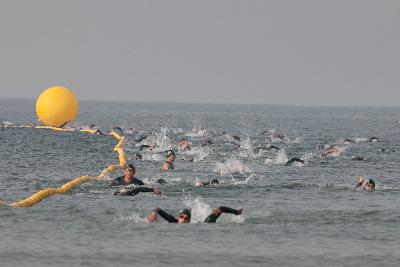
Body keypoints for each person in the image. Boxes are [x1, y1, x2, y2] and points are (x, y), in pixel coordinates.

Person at [147, 206, 243, 224]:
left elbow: (221, 208)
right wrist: (154, 213)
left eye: (186, 218)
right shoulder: (173, 221)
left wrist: (236, 212)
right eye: (181, 217)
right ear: (178, 217)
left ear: (189, 220)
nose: (183, 219)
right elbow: (158, 209)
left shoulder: (200, 224)